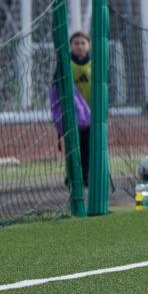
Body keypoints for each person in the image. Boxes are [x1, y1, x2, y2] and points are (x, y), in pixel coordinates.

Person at [49, 31, 93, 188]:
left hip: (92, 115)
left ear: (89, 45)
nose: (79, 46)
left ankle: (86, 176)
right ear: (71, 46)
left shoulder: (94, 64)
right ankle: (72, 176)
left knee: (89, 147)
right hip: (73, 115)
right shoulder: (66, 64)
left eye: (83, 43)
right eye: (76, 43)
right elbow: (56, 89)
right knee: (74, 147)